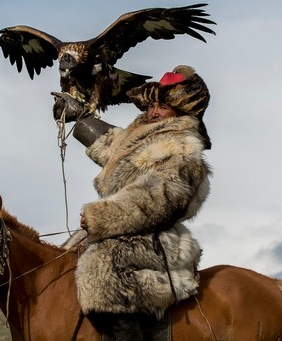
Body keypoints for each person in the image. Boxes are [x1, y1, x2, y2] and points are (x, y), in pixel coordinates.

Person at [53, 65, 212, 340]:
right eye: (151, 105)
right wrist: (79, 116)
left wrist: (100, 217)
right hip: (122, 229)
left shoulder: (182, 148)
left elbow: (156, 200)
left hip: (157, 237)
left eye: (162, 106)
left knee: (102, 268)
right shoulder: (143, 135)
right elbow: (113, 146)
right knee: (65, 259)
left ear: (182, 110)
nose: (153, 112)